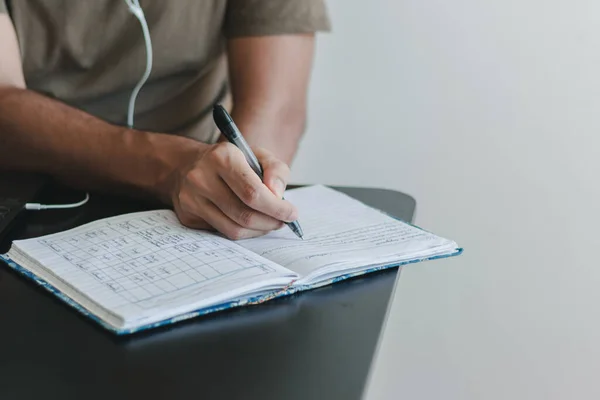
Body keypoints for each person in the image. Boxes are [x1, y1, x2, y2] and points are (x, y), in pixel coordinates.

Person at [0, 0, 330, 239]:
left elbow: (277, 105)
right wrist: (171, 167)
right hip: (29, 199)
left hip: (197, 202)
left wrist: (246, 188)